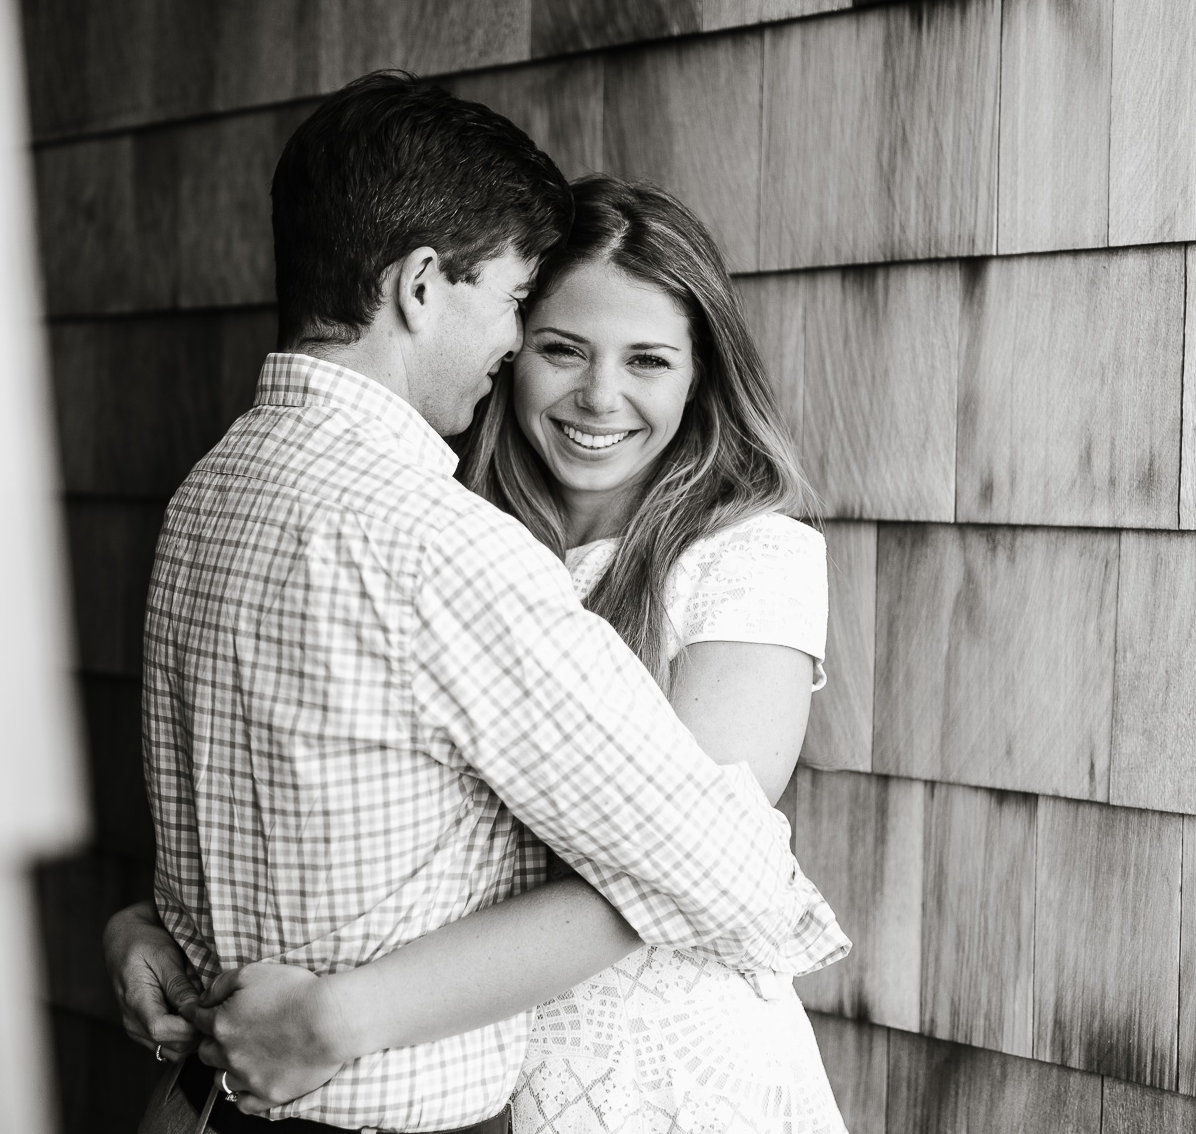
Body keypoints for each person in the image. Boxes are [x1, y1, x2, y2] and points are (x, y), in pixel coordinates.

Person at [109, 72, 848, 1134]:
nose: (599, 394)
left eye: (648, 359)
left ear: (701, 375)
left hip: (643, 1081)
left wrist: (334, 1009)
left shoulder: (228, 492)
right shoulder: (448, 538)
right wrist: (152, 922)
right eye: (543, 334)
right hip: (426, 1080)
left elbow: (708, 867)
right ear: (427, 292)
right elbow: (294, 807)